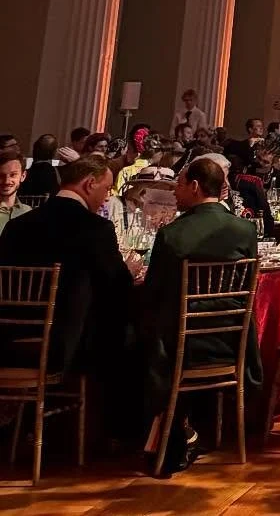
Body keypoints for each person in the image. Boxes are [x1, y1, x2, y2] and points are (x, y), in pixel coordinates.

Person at [139, 158, 259, 477]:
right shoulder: (245, 230)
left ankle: (160, 431)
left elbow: (153, 293)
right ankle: (187, 429)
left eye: (178, 184)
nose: (174, 192)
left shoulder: (173, 235)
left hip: (183, 344)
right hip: (232, 339)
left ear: (194, 186)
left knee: (135, 336)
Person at [0, 154, 136, 401]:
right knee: (132, 334)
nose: (107, 197)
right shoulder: (96, 229)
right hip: (61, 348)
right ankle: (115, 427)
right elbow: (118, 289)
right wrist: (130, 271)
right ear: (89, 184)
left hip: (6, 342)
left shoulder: (17, 225)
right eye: (106, 189)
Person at [0, 151, 24, 234]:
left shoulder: (28, 211)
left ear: (23, 176)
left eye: (13, 175)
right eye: (1, 175)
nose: (7, 181)